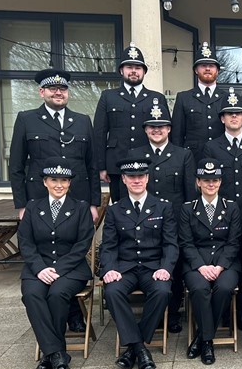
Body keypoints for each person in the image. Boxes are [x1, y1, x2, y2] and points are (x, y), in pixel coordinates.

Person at [9, 68, 99, 333]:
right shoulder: (27, 119)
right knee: (47, 247)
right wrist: (22, 204)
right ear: (42, 92)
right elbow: (16, 166)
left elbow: (92, 165)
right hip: (40, 198)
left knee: (71, 250)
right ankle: (55, 309)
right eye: (53, 89)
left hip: (77, 197)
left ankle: (73, 313)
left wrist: (93, 202)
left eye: (63, 89)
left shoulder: (82, 121)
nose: (58, 93)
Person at [100, 156, 179, 369]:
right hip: (124, 269)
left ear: (147, 178)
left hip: (153, 268)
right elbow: (108, 246)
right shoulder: (115, 210)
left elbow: (171, 244)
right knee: (112, 291)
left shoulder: (163, 207)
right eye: (131, 176)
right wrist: (110, 269)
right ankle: (140, 349)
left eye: (141, 176)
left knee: (162, 291)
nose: (137, 180)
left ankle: (132, 349)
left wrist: (166, 268)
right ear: (123, 179)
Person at [19, 157, 94, 369]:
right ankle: (56, 353)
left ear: (70, 183)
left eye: (64, 180)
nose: (59, 185)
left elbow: (82, 245)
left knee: (57, 294)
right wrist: (40, 268)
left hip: (71, 269)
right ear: (45, 182)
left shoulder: (80, 208)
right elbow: (25, 242)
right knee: (32, 295)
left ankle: (48, 356)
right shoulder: (33, 207)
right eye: (54, 180)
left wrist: (58, 269)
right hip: (38, 267)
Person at [202, 87, 242, 331]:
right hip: (222, 215)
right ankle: (222, 310)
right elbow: (208, 183)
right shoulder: (212, 147)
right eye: (229, 113)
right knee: (224, 260)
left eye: (238, 113)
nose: (233, 117)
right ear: (222, 118)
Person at [127, 106, 195, 334]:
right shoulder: (135, 154)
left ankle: (173, 313)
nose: (157, 130)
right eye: (152, 127)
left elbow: (189, 195)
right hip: (142, 223)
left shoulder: (183, 155)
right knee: (147, 266)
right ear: (145, 129)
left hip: (173, 223)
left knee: (173, 267)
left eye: (162, 126)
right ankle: (152, 313)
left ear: (169, 129)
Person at [178, 158, 242, 365]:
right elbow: (186, 243)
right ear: (198, 182)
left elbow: (234, 242)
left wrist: (220, 266)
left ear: (220, 182)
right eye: (206, 180)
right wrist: (201, 266)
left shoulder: (231, 207)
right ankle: (207, 342)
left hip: (226, 263)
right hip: (196, 263)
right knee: (199, 289)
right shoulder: (187, 209)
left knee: (224, 288)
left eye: (215, 180)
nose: (211, 184)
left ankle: (202, 337)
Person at [94, 43, 169, 202]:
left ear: (144, 72)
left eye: (138, 68)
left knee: (151, 207)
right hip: (116, 164)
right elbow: (99, 133)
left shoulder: (157, 98)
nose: (134, 71)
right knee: (120, 208)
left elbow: (166, 133)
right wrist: (101, 166)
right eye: (129, 67)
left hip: (149, 164)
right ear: (121, 70)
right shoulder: (108, 96)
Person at [171, 42, 227, 160]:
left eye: (211, 66)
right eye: (203, 65)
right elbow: (177, 135)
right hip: (193, 158)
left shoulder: (226, 98)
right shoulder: (184, 98)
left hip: (222, 157)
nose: (207, 69)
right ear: (196, 70)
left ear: (217, 70)